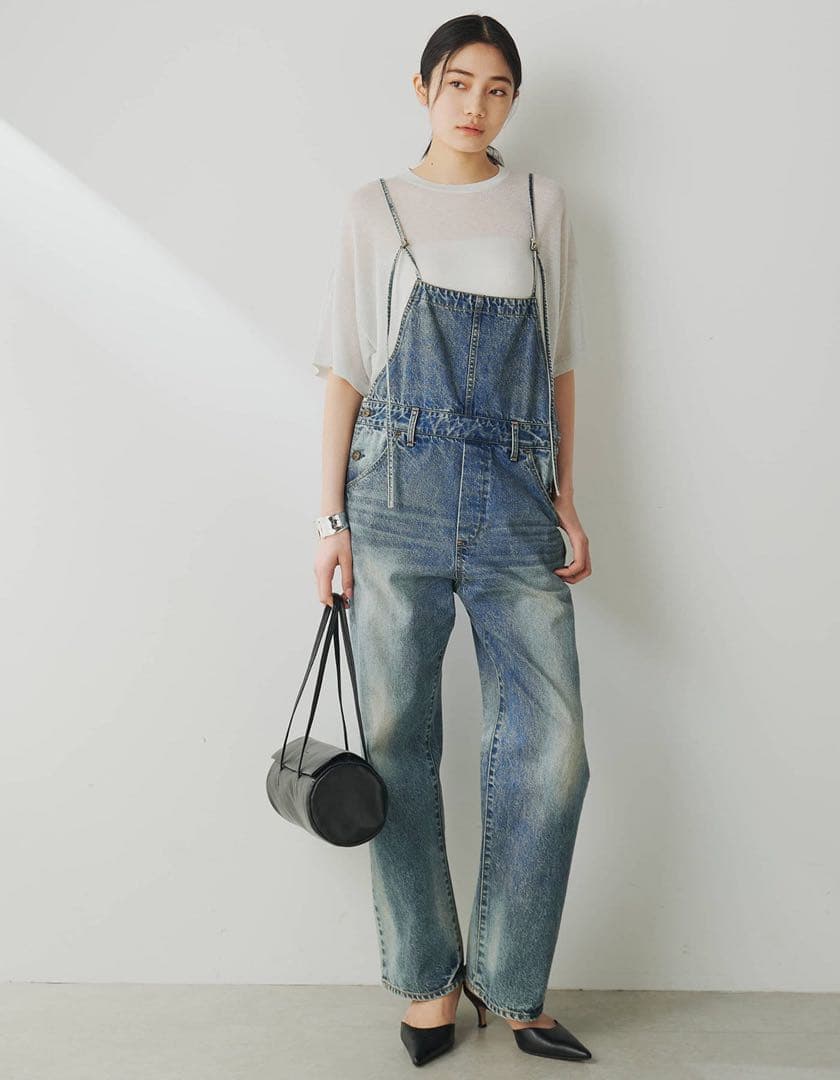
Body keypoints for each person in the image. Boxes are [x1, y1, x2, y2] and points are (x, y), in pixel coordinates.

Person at [312, 14, 593, 1067]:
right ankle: (429, 983)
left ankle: (510, 985)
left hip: (518, 503)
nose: (476, 105)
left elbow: (560, 363)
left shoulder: (541, 203)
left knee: (554, 753)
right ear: (423, 86)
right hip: (394, 498)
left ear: (513, 101)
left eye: (498, 88)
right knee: (397, 744)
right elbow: (346, 366)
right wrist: (330, 521)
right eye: (459, 83)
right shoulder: (374, 207)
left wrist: (568, 499)